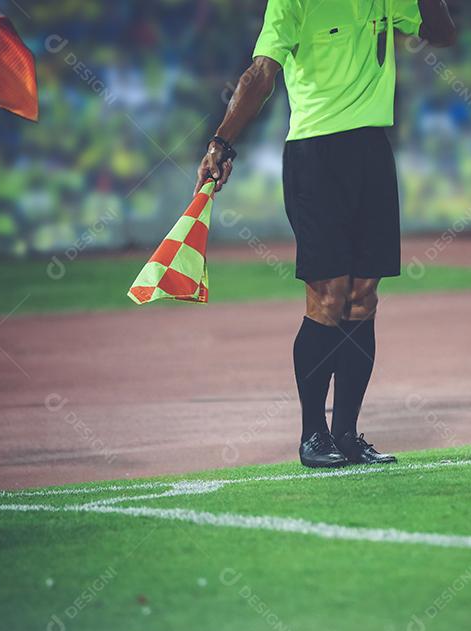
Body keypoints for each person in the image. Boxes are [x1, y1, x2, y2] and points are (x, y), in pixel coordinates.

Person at [195, 0, 457, 468]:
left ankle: (347, 435)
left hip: (372, 151)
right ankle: (312, 434)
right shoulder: (292, 2)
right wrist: (221, 142)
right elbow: (261, 74)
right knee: (328, 295)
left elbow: (442, 33)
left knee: (363, 297)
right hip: (315, 155)